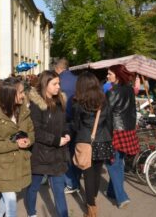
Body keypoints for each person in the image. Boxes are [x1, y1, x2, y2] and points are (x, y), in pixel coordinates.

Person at [0, 78, 34, 217]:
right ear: (9, 95)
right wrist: (14, 144)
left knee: (10, 196)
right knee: (11, 202)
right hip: (3, 167)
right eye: (21, 92)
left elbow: (31, 132)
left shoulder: (24, 112)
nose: (23, 95)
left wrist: (28, 140)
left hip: (20, 164)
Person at [26, 70, 70, 217]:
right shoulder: (36, 105)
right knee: (33, 186)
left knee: (58, 189)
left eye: (59, 83)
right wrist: (56, 140)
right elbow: (36, 132)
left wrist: (67, 133)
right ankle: (31, 212)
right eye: (55, 83)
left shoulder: (60, 102)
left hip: (57, 154)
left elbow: (64, 123)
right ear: (46, 84)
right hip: (40, 154)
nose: (58, 86)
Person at [72, 72, 114, 217]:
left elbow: (76, 125)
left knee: (88, 175)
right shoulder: (104, 99)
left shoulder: (78, 103)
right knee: (96, 173)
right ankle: (92, 200)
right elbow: (109, 121)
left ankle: (91, 209)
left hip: (85, 141)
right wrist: (110, 138)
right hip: (103, 140)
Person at [105, 64, 139, 209]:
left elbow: (108, 117)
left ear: (117, 76)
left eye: (109, 74)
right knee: (118, 162)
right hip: (128, 130)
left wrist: (106, 136)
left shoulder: (111, 92)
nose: (107, 76)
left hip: (116, 132)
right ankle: (111, 192)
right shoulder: (130, 90)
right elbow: (133, 111)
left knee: (113, 164)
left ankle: (122, 197)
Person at [54, 58, 80, 194]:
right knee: (74, 151)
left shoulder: (58, 82)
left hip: (63, 121)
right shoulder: (77, 80)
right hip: (77, 121)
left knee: (64, 153)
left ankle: (71, 183)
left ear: (58, 68)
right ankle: (76, 179)